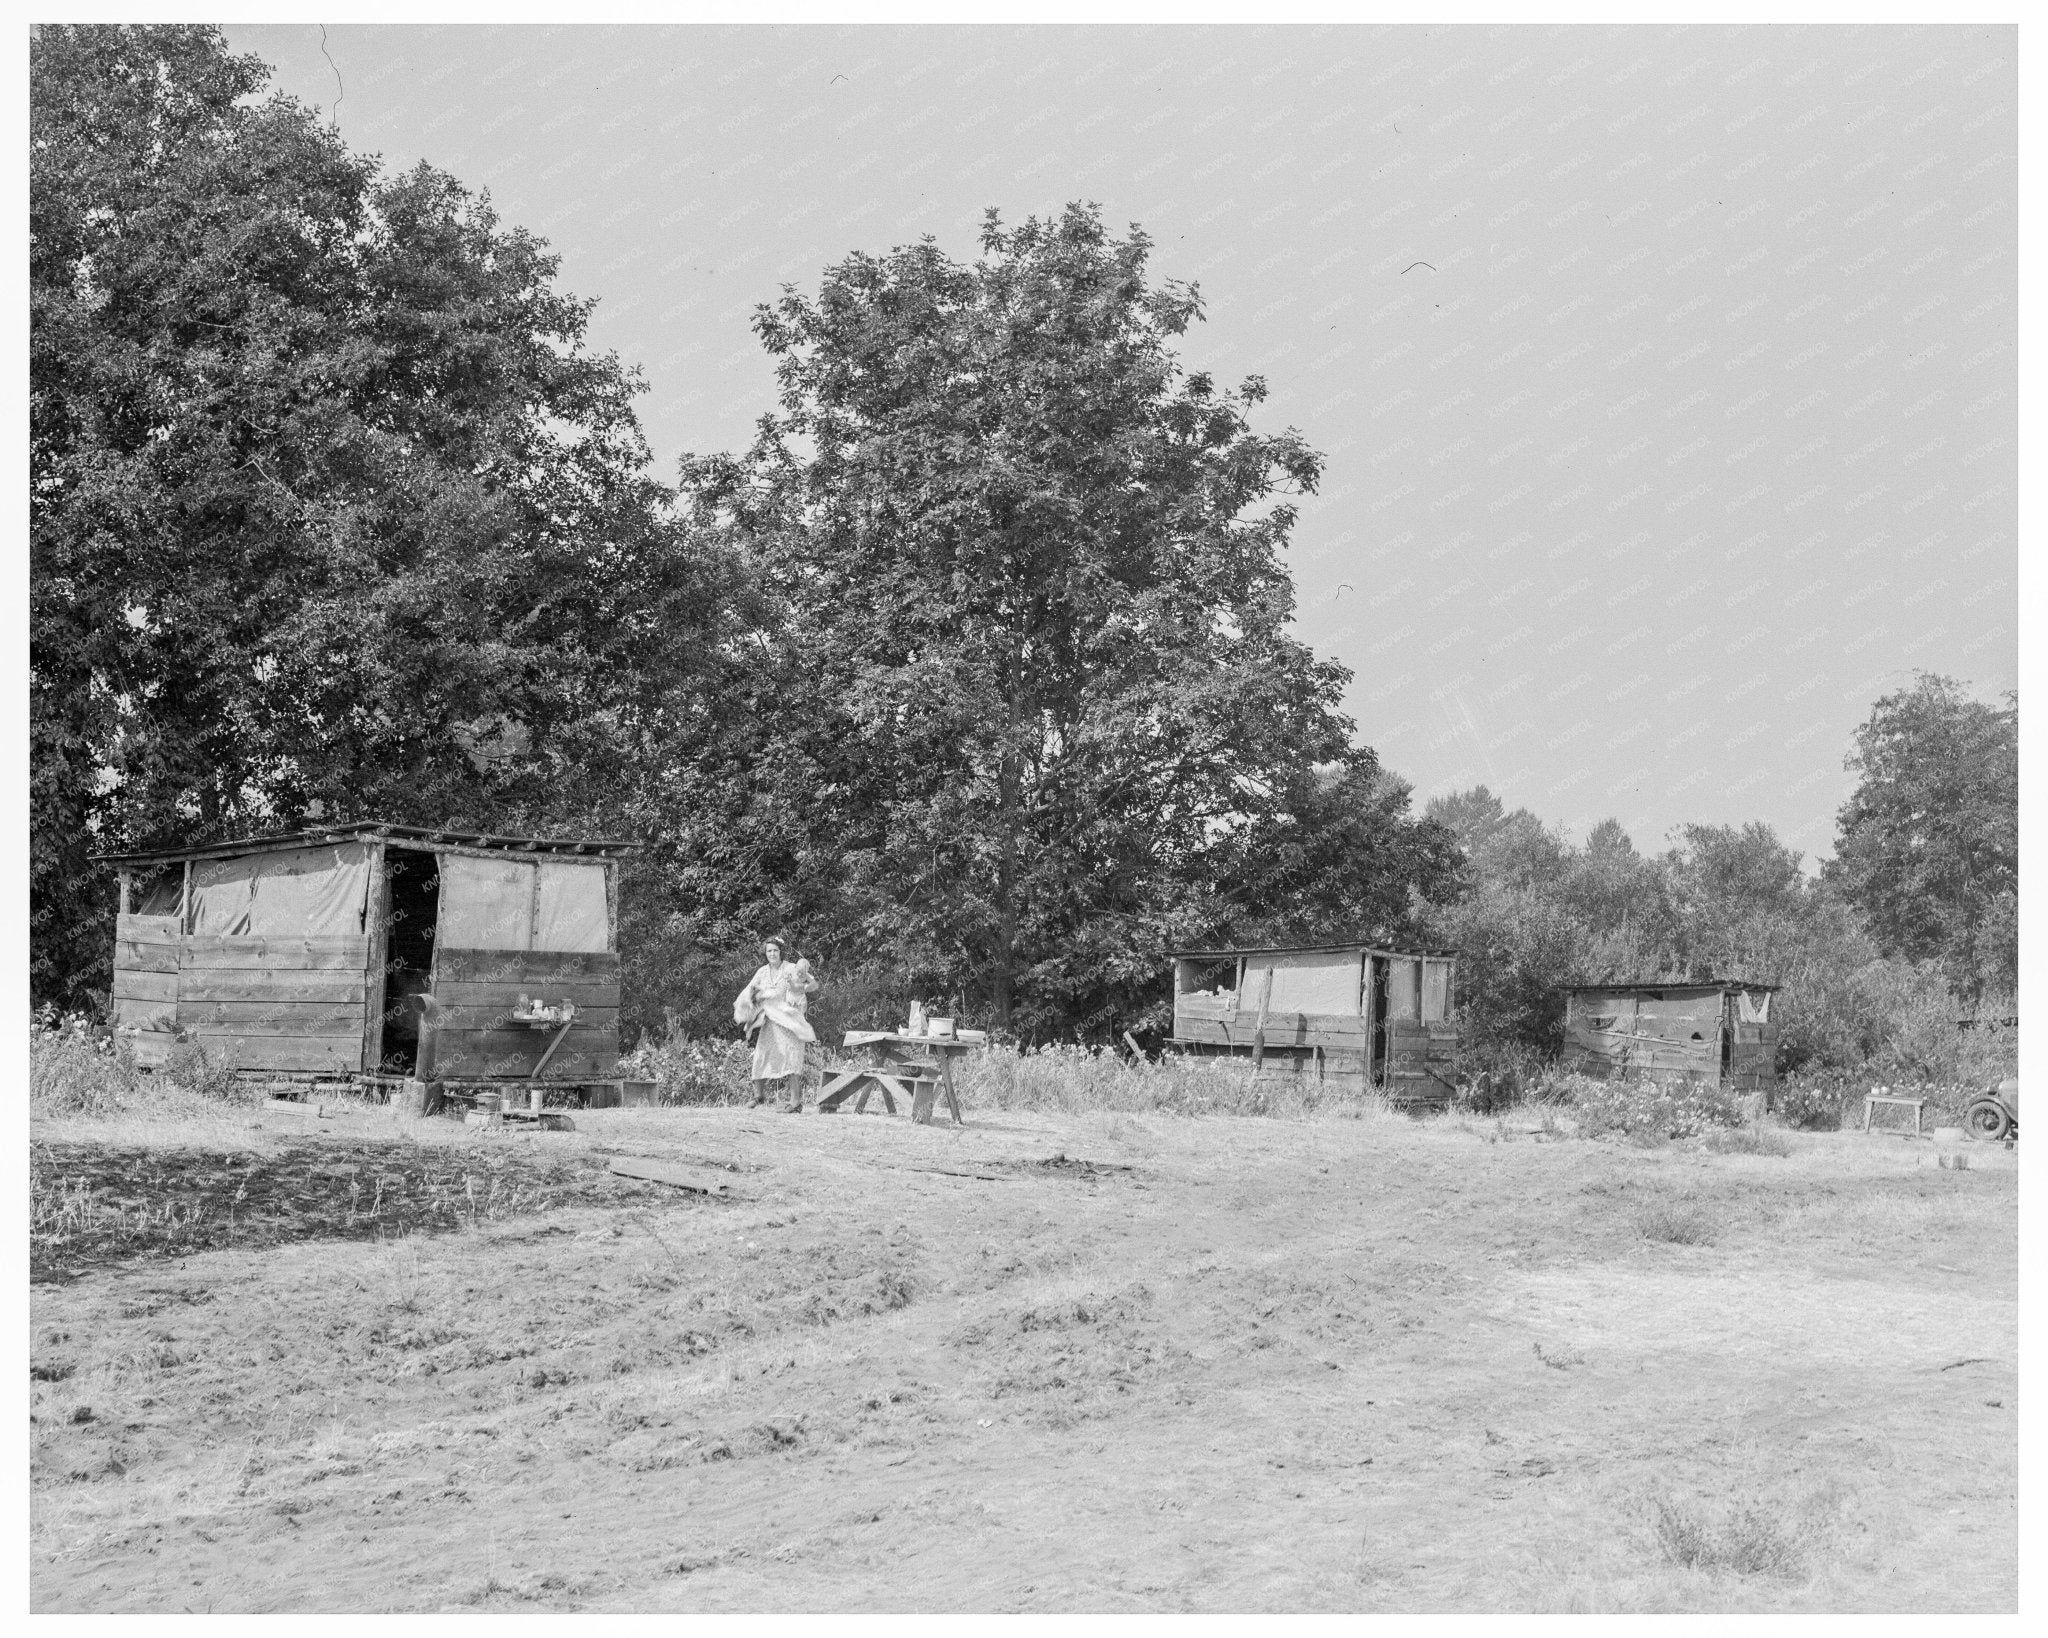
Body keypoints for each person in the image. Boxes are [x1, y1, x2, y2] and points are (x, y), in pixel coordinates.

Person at [733, 938, 819, 1112]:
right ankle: (759, 1096)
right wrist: (752, 1001)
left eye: (775, 951)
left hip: (790, 1021)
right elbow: (750, 991)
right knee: (761, 1056)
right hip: (770, 1021)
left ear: (781, 952)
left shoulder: (791, 968)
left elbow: (814, 984)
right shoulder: (762, 972)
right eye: (769, 951)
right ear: (765, 953)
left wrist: (801, 988)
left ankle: (795, 1103)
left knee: (792, 1059)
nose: (772, 954)